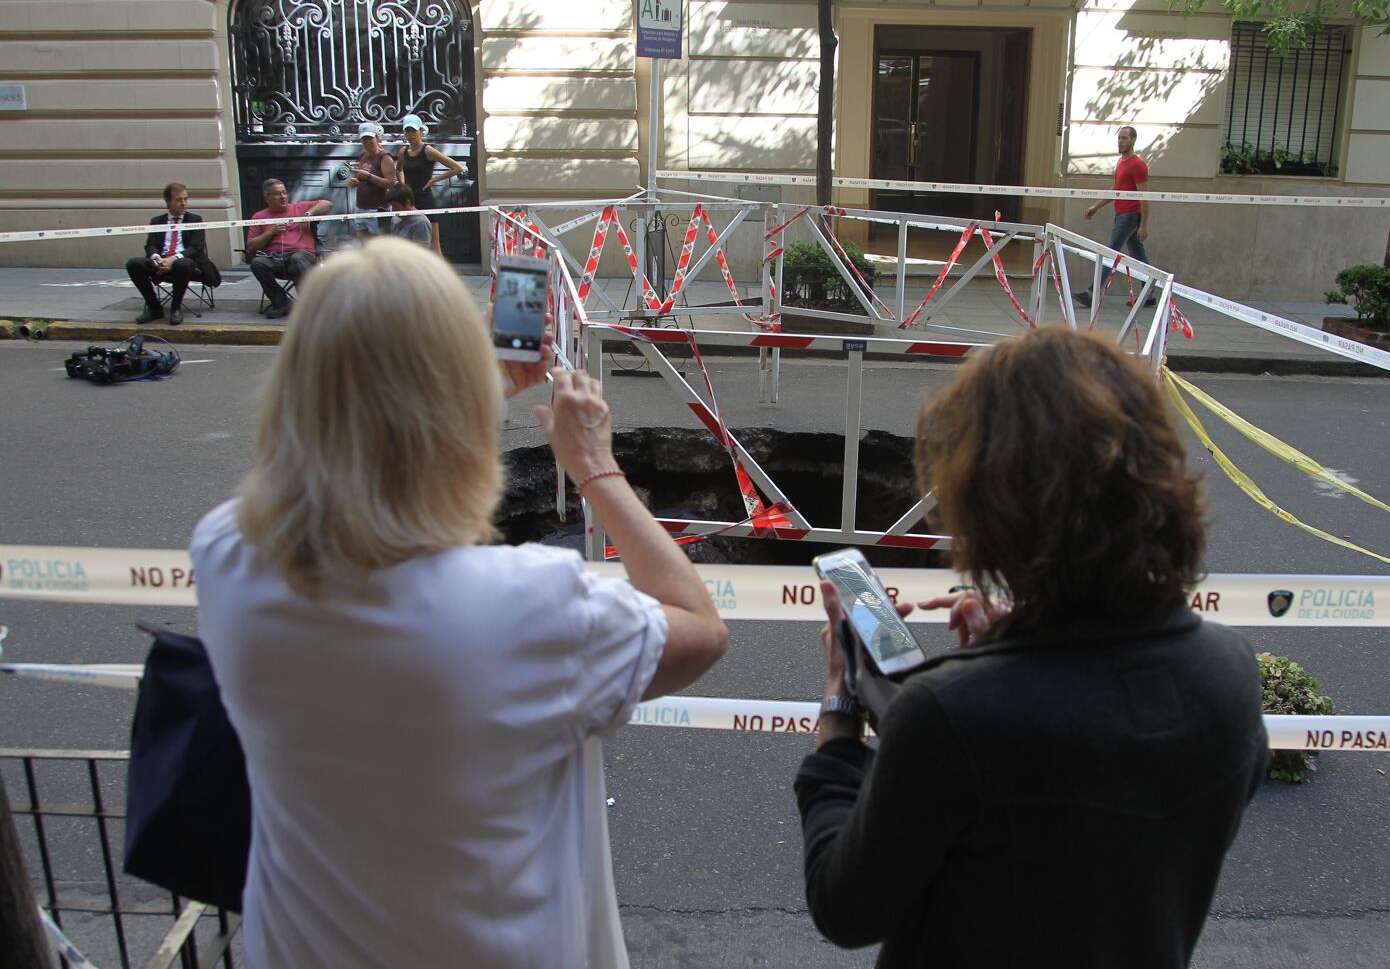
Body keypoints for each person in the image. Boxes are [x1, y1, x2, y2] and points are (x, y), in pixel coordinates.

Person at [190, 237, 727, 968]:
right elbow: (700, 628)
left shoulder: (225, 557)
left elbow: (317, 462)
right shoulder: (527, 608)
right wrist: (596, 468)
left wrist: (461, 390)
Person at [794, 326, 1267, 968]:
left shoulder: (951, 716)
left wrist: (840, 710)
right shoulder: (1229, 672)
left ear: (988, 501)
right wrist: (1028, 633)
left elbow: (845, 907)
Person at [1075, 125, 1154, 307]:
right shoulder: (1121, 162)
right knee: (1138, 255)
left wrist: (1143, 225)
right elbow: (1116, 189)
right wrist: (1096, 206)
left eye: (1125, 138)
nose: (1120, 141)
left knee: (1109, 253)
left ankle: (1092, 292)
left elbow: (1145, 196)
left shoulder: (1138, 164)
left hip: (1130, 216)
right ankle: (1149, 293)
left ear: (1133, 140)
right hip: (1121, 214)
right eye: (1119, 138)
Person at [125, 182, 215, 326]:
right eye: (179, 200)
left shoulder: (195, 220)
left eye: (186, 199)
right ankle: (154, 307)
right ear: (167, 202)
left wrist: (173, 260)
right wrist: (157, 258)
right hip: (161, 260)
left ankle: (175, 308)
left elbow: (196, 248)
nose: (184, 203)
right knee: (133, 264)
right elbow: (151, 245)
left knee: (182, 264)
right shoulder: (157, 221)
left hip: (185, 262)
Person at [245, 178, 332, 319]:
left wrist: (308, 214)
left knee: (297, 258)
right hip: (276, 259)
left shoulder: (300, 207)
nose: (283, 196)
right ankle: (282, 303)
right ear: (267, 198)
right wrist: (270, 232)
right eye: (277, 194)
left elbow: (327, 204)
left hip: (303, 256)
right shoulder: (259, 217)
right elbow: (251, 247)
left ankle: (310, 305)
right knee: (257, 263)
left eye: (284, 192)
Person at [395, 112, 465, 257]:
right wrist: (403, 186)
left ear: (421, 131)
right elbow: (399, 169)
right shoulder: (403, 152)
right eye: (407, 131)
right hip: (408, 202)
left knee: (433, 244)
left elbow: (457, 168)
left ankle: (440, 277)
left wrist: (434, 179)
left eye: (414, 131)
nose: (411, 135)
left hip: (425, 199)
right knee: (409, 242)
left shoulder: (428, 150)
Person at [348, 121, 395, 240]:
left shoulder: (384, 157)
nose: (367, 142)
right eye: (364, 139)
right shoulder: (362, 156)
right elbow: (363, 178)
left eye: (370, 138)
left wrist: (368, 176)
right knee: (365, 246)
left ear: (378, 138)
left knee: (380, 246)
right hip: (361, 207)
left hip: (378, 208)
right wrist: (355, 181)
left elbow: (390, 182)